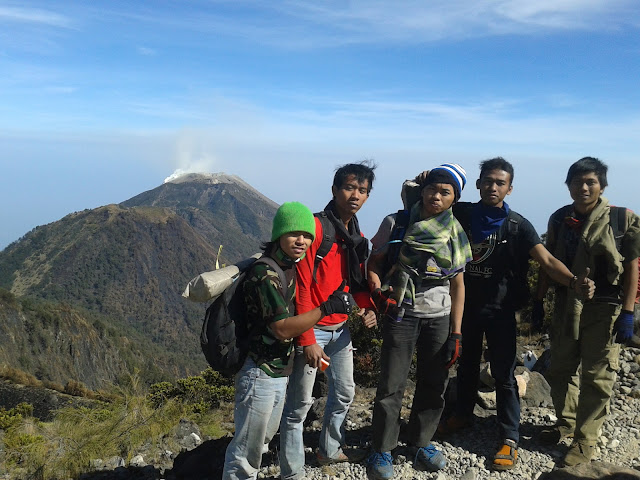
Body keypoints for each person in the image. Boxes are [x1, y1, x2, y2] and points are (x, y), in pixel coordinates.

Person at [436, 157, 594, 471]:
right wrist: (429, 176)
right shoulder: (463, 212)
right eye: (488, 181)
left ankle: (509, 437)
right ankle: (463, 415)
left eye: (500, 183)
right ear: (479, 183)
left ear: (510, 188)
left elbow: (546, 262)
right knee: (466, 366)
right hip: (464, 308)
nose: (493, 187)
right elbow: (422, 200)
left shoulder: (518, 225)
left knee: (504, 375)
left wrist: (574, 282)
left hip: (501, 311)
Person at [222, 202, 358, 480]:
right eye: (294, 233)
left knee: (258, 445)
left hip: (277, 372)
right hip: (260, 372)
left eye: (307, 235)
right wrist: (326, 309)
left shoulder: (288, 267)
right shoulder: (265, 273)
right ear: (278, 234)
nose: (302, 240)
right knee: (246, 453)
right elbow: (282, 329)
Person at [364, 164, 472, 480]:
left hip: (439, 315)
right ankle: (382, 448)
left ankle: (421, 441)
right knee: (391, 384)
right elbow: (375, 261)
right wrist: (375, 291)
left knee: (434, 384)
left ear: (454, 199)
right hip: (401, 312)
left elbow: (458, 284)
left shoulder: (454, 232)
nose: (436, 196)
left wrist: (456, 332)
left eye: (445, 192)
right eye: (432, 189)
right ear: (422, 190)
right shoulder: (396, 222)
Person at [533, 157, 640, 467]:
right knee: (561, 368)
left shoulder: (622, 220)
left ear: (601, 186)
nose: (583, 187)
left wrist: (628, 311)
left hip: (606, 306)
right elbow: (548, 261)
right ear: (568, 186)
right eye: (577, 181)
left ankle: (585, 439)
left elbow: (633, 267)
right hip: (567, 301)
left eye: (590, 182)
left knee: (597, 375)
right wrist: (539, 301)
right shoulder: (559, 219)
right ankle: (565, 422)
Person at [279, 162, 378, 480]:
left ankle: (329, 450)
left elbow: (354, 279)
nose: (356, 195)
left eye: (362, 190)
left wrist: (365, 307)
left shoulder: (355, 234)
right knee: (299, 405)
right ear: (335, 190)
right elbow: (304, 288)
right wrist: (306, 338)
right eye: (349, 188)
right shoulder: (317, 229)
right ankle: (292, 470)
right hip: (315, 330)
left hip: (340, 329)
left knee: (345, 391)